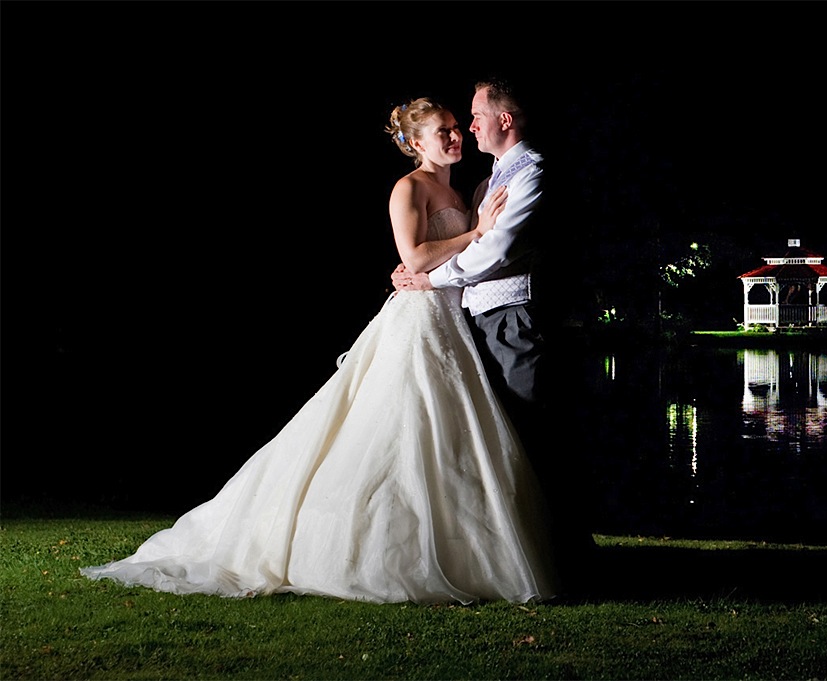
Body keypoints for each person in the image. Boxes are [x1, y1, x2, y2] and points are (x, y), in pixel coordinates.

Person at [79, 97, 559, 605]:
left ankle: (464, 540)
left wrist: (461, 243)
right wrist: (476, 232)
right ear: (416, 143)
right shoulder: (409, 188)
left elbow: (438, 261)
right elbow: (414, 256)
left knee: (452, 433)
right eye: (444, 130)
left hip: (452, 318)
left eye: (458, 127)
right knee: (398, 425)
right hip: (419, 319)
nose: (456, 136)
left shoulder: (461, 187)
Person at [391, 78, 596, 590]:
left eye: (469, 121)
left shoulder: (526, 174)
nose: (465, 130)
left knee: (526, 433)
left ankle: (559, 553)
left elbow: (494, 251)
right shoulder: (477, 184)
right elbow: (433, 248)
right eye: (450, 128)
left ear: (503, 121)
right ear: (416, 143)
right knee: (475, 436)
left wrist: (430, 276)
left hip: (508, 316)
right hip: (464, 320)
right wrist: (430, 266)